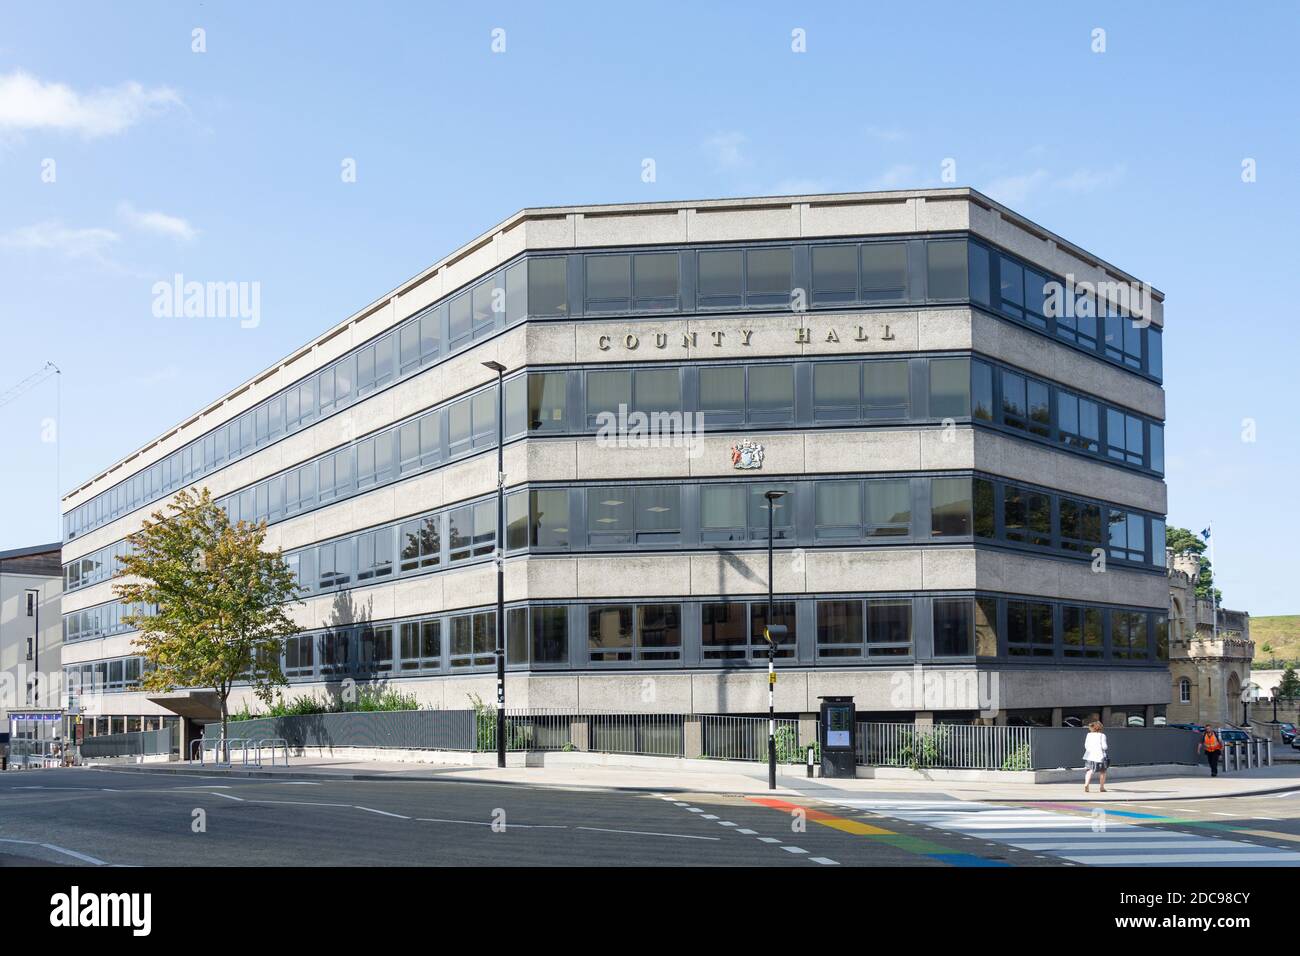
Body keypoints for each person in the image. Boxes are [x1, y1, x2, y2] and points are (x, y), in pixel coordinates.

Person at [1083, 720, 1109, 792]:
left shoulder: (1088, 735)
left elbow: (1086, 746)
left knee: (1089, 770)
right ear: (1100, 728)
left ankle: (1086, 784)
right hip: (1100, 756)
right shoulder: (1102, 735)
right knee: (1103, 771)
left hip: (1089, 755)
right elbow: (1104, 747)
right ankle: (1101, 787)